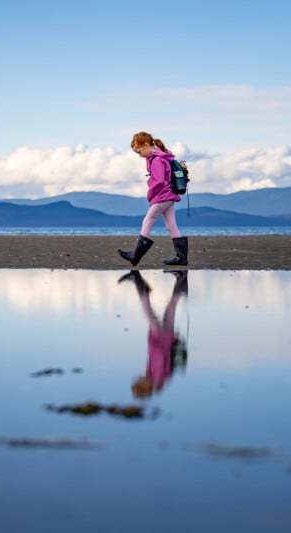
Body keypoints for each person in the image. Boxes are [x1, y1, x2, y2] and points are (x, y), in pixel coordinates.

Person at [118, 131, 188, 266]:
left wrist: (150, 194)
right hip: (169, 195)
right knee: (171, 225)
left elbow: (160, 181)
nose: (139, 156)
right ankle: (182, 257)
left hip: (162, 195)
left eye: (139, 152)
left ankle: (135, 255)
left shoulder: (156, 160)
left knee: (148, 220)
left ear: (145, 145)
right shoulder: (161, 157)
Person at [119, 270, 188, 399]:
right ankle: (141, 286)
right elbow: (159, 356)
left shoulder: (158, 377)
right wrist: (154, 344)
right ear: (146, 387)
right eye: (140, 382)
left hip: (168, 338)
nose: (140, 378)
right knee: (148, 311)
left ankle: (182, 278)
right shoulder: (157, 375)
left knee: (171, 306)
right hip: (160, 338)